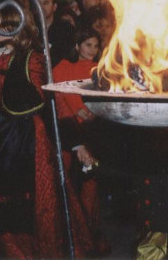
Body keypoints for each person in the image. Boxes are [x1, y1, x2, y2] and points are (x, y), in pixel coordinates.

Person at [0, 6, 92, 258]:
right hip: (5, 138)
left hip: (31, 139)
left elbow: (56, 101)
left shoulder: (34, 59)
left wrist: (76, 143)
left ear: (14, 27)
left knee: (32, 203)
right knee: (6, 201)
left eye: (1, 22)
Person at [52, 28, 111, 256]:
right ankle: (74, 239)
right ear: (77, 46)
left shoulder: (100, 69)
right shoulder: (62, 67)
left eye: (96, 46)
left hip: (93, 133)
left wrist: (95, 111)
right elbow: (60, 102)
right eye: (88, 45)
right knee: (71, 188)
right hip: (70, 135)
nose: (92, 51)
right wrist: (78, 110)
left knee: (91, 188)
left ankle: (90, 235)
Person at [37, 0, 74, 66]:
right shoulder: (30, 29)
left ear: (54, 7)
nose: (41, 7)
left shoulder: (65, 28)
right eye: (38, 3)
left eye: (45, 3)